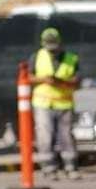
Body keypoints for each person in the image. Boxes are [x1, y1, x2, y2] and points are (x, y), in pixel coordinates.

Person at [29, 27, 81, 179]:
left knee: (66, 136)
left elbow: (77, 80)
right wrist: (45, 79)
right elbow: (29, 77)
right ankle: (49, 168)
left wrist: (61, 82)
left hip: (64, 104)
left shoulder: (71, 58)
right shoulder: (37, 56)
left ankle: (70, 166)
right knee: (45, 136)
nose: (52, 49)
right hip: (43, 104)